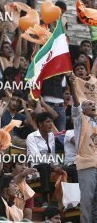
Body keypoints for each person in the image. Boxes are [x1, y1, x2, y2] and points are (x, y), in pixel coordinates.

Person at [67, 73, 97, 223]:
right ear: (83, 110)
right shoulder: (80, 121)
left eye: (94, 104)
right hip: (86, 165)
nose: (93, 105)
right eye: (89, 104)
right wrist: (73, 86)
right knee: (87, 200)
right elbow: (77, 105)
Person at [26, 112, 64, 207]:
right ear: (40, 124)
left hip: (49, 165)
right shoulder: (31, 137)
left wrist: (57, 165)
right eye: (48, 121)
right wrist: (53, 166)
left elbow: (52, 154)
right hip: (36, 165)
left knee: (66, 169)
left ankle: (61, 201)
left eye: (51, 121)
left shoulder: (51, 136)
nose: (51, 124)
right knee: (44, 166)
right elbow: (36, 157)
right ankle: (45, 199)